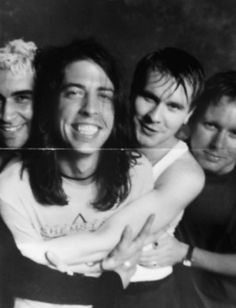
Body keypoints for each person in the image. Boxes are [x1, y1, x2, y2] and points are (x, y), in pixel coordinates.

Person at [0, 38, 155, 308]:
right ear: (52, 102)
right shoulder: (11, 185)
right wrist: (115, 277)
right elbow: (25, 280)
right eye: (74, 92)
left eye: (22, 98)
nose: (7, 115)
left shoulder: (138, 171)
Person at [141, 71, 236, 307]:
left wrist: (187, 254)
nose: (218, 144)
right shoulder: (166, 158)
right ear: (191, 118)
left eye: (235, 134)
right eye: (211, 125)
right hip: (157, 294)